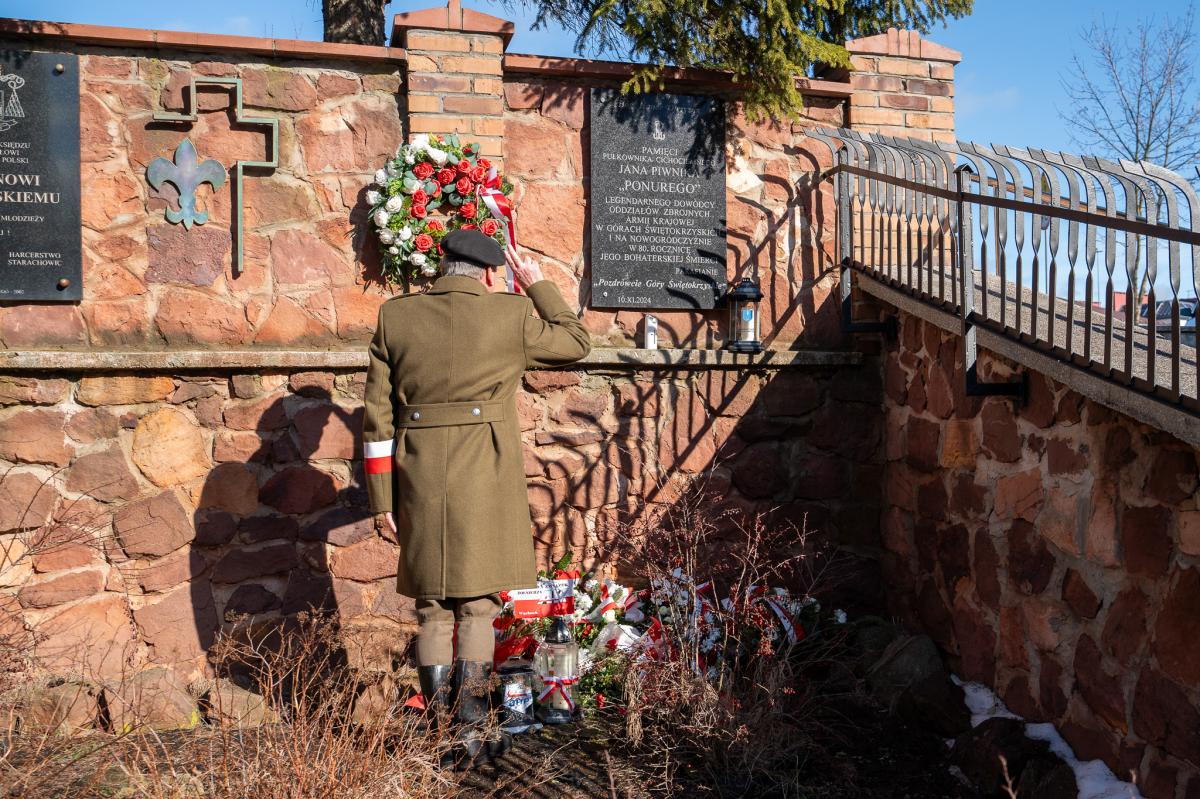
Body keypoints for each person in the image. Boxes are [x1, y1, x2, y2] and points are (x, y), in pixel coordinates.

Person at [362, 228, 590, 767]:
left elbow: (377, 417)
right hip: (484, 471)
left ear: (444, 266)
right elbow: (576, 341)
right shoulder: (511, 314)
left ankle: (440, 732)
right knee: (478, 606)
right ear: (490, 273)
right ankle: (469, 727)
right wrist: (537, 285)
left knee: (432, 606)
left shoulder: (396, 316)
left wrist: (382, 497)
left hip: (418, 473)